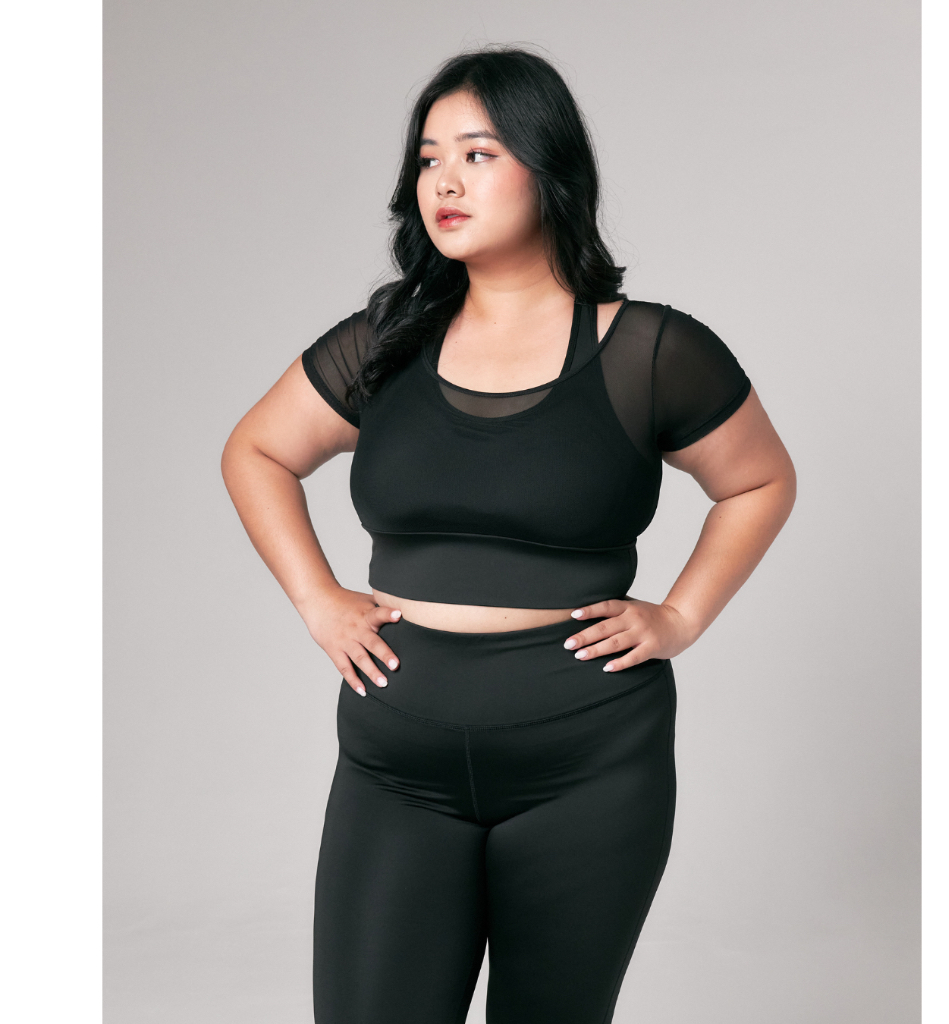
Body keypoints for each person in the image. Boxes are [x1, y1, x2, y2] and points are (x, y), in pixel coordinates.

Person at [222, 46, 796, 1024]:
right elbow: (256, 451)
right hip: (395, 764)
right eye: (428, 158)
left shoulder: (649, 351)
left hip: (589, 763)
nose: (444, 180)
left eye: (478, 154)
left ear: (549, 166)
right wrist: (318, 602)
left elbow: (759, 480)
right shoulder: (384, 343)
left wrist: (681, 615)